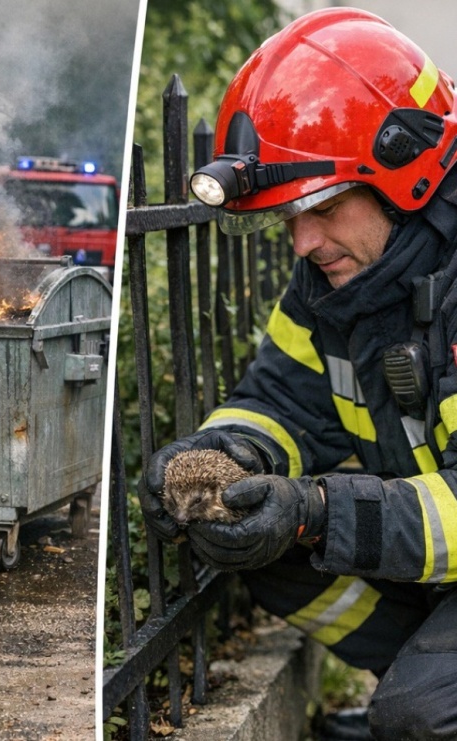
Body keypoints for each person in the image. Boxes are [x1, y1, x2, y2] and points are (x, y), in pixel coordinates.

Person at [142, 9, 457, 739]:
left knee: (420, 714)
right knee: (264, 546)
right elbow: (279, 396)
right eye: (289, 217)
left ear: (402, 175)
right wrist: (224, 456)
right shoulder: (337, 285)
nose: (303, 240)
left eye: (323, 208)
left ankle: (423, 704)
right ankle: (416, 682)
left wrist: (317, 507)